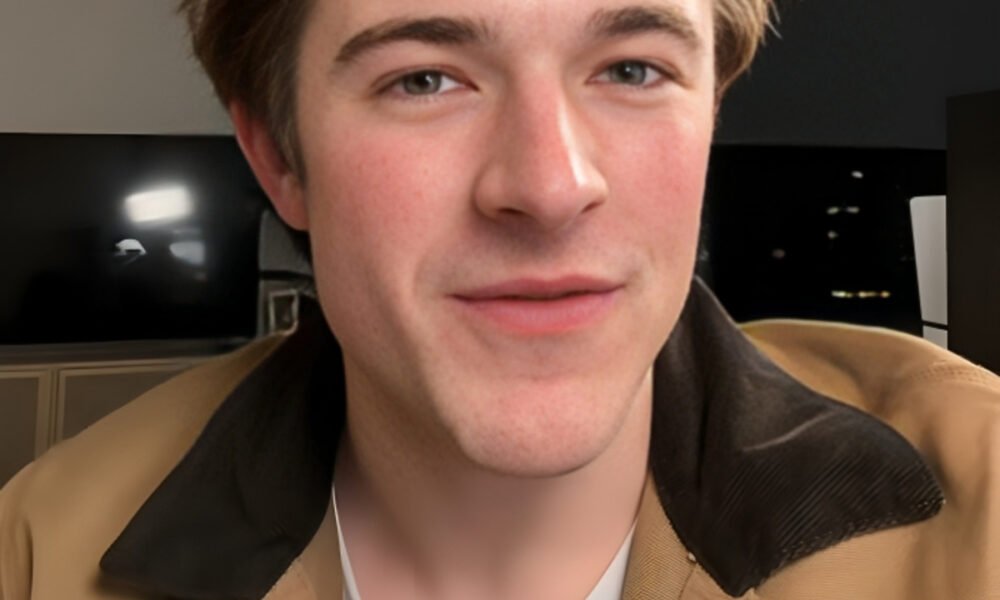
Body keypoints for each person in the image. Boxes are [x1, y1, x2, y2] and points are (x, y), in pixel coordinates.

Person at [2, 0, 998, 598]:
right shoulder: (39, 554)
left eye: (632, 68)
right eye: (424, 80)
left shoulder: (983, 507)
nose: (551, 185)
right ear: (279, 157)